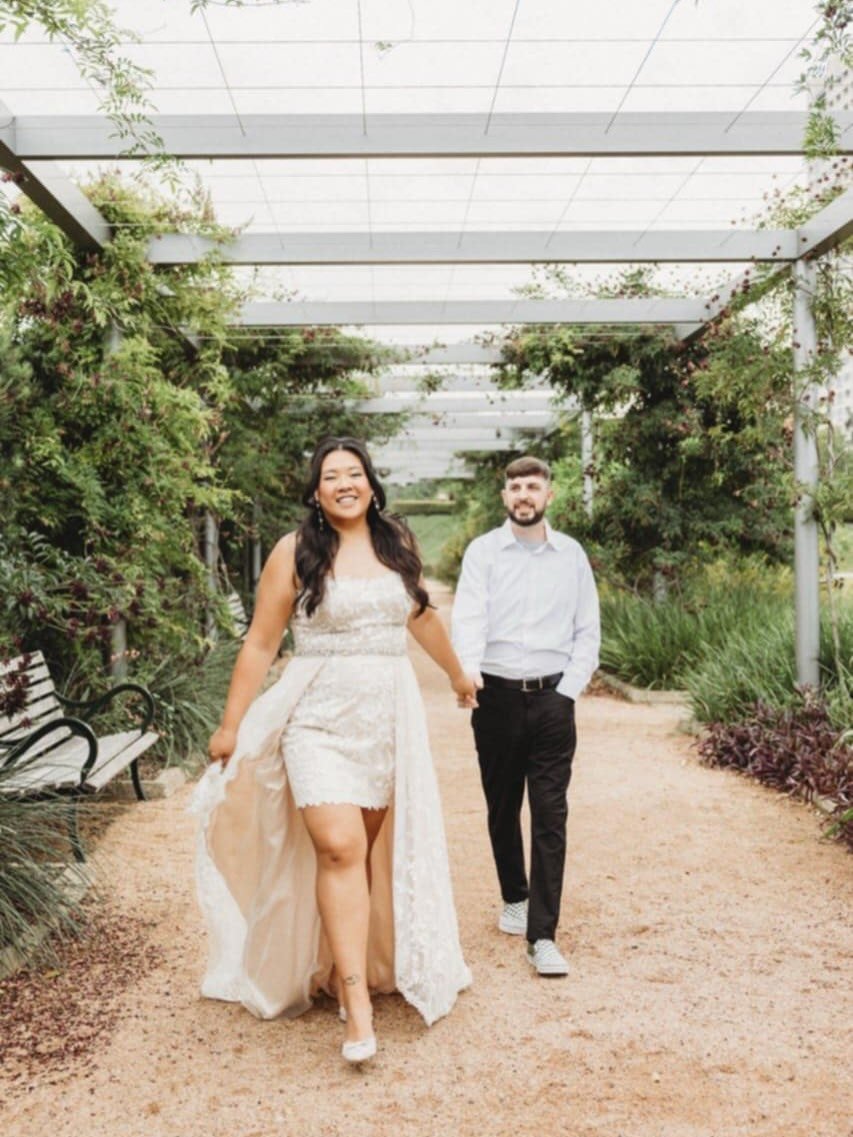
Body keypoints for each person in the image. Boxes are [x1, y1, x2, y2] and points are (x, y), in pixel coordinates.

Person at [193, 437, 474, 1064]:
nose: (344, 483)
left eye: (354, 473)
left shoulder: (395, 542)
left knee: (364, 852)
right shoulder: (294, 552)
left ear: (371, 485)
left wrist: (457, 674)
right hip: (315, 716)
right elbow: (261, 644)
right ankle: (356, 1003)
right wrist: (230, 725)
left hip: (386, 718)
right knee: (338, 846)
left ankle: (345, 965)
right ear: (316, 492)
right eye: (331, 475)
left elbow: (420, 614)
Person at [451, 456, 600, 977]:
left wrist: (569, 693)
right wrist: (468, 674)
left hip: (554, 698)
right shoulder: (484, 553)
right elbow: (467, 617)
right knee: (501, 805)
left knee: (550, 812)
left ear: (549, 496)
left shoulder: (572, 556)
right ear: (504, 496)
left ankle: (543, 935)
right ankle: (514, 895)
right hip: (494, 696)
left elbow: (588, 630)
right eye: (515, 486)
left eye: (532, 486)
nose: (523, 495)